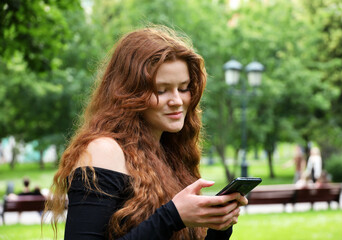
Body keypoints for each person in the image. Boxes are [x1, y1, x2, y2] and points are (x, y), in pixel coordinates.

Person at [45, 26, 248, 240]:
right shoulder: (103, 151)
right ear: (129, 93)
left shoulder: (172, 153)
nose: (177, 101)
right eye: (161, 90)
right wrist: (172, 216)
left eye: (183, 88)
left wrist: (219, 227)